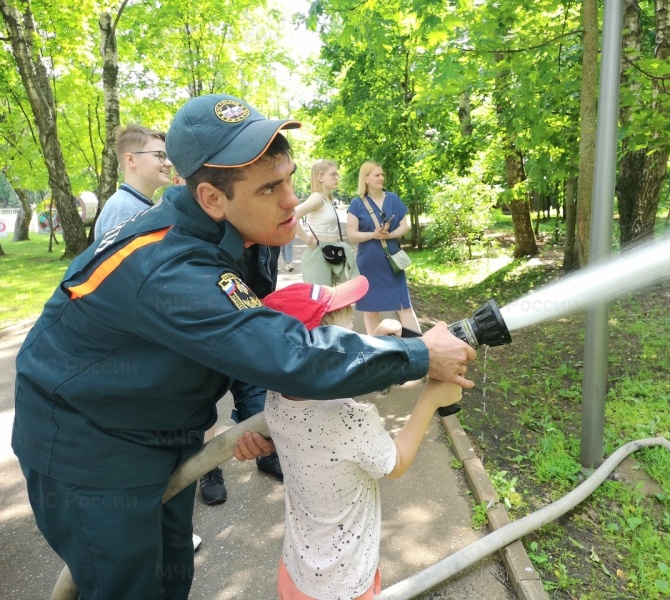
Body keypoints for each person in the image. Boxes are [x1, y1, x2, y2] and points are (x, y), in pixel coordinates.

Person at [13, 93, 476, 600]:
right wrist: (418, 355)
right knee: (127, 586)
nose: (290, 201)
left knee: (169, 576)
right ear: (212, 198)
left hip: (156, 430)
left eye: (291, 178)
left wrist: (264, 419)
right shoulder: (171, 267)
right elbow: (287, 351)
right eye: (271, 188)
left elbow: (242, 337)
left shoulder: (238, 235)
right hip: (91, 449)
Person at [235, 275, 463, 600]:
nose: (355, 343)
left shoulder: (276, 396)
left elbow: (325, 378)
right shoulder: (351, 419)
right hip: (346, 584)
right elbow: (395, 464)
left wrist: (379, 346)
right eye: (347, 337)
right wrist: (431, 398)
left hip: (297, 572)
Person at [347, 161, 420, 335]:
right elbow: (352, 235)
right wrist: (373, 235)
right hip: (369, 264)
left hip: (393, 261)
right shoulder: (356, 204)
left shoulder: (393, 198)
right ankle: (376, 347)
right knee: (371, 310)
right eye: (377, 175)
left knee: (404, 306)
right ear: (366, 178)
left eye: (382, 174)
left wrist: (389, 235)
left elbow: (404, 227)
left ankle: (420, 345)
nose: (381, 178)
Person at [94, 124, 173, 238]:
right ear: (131, 160)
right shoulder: (122, 209)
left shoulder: (135, 205)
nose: (169, 164)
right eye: (160, 155)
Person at [294, 159, 357, 286]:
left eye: (337, 174)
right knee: (320, 301)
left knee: (333, 300)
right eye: (333, 174)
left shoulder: (328, 199)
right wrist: (307, 240)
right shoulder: (317, 198)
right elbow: (292, 216)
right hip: (318, 255)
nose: (336, 178)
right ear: (320, 177)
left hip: (331, 254)